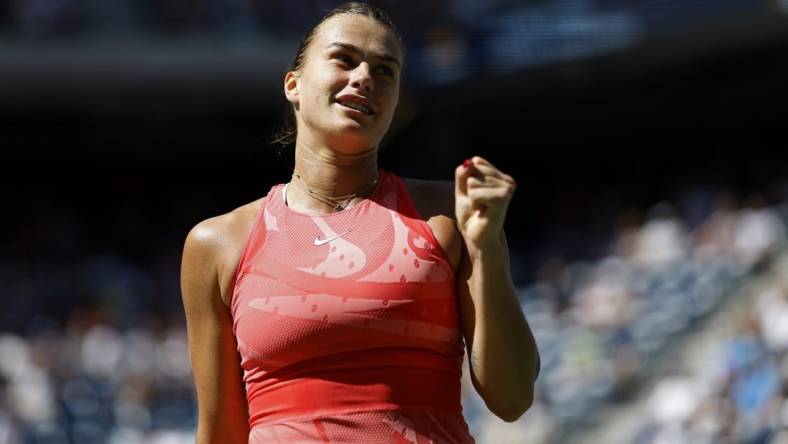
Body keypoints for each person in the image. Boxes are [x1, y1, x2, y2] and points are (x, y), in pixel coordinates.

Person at [180, 3, 540, 442]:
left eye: (385, 70)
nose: (365, 77)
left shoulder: (450, 215)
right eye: (344, 59)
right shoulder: (217, 243)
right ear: (293, 84)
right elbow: (219, 433)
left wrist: (486, 251)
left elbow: (513, 397)